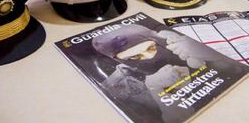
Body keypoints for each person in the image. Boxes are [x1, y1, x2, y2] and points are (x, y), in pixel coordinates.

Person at [91, 24, 239, 122]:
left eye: (150, 48)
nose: (148, 58)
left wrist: (213, 56)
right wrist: (159, 92)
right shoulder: (116, 87)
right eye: (133, 57)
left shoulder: (180, 46)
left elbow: (236, 71)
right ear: (118, 61)